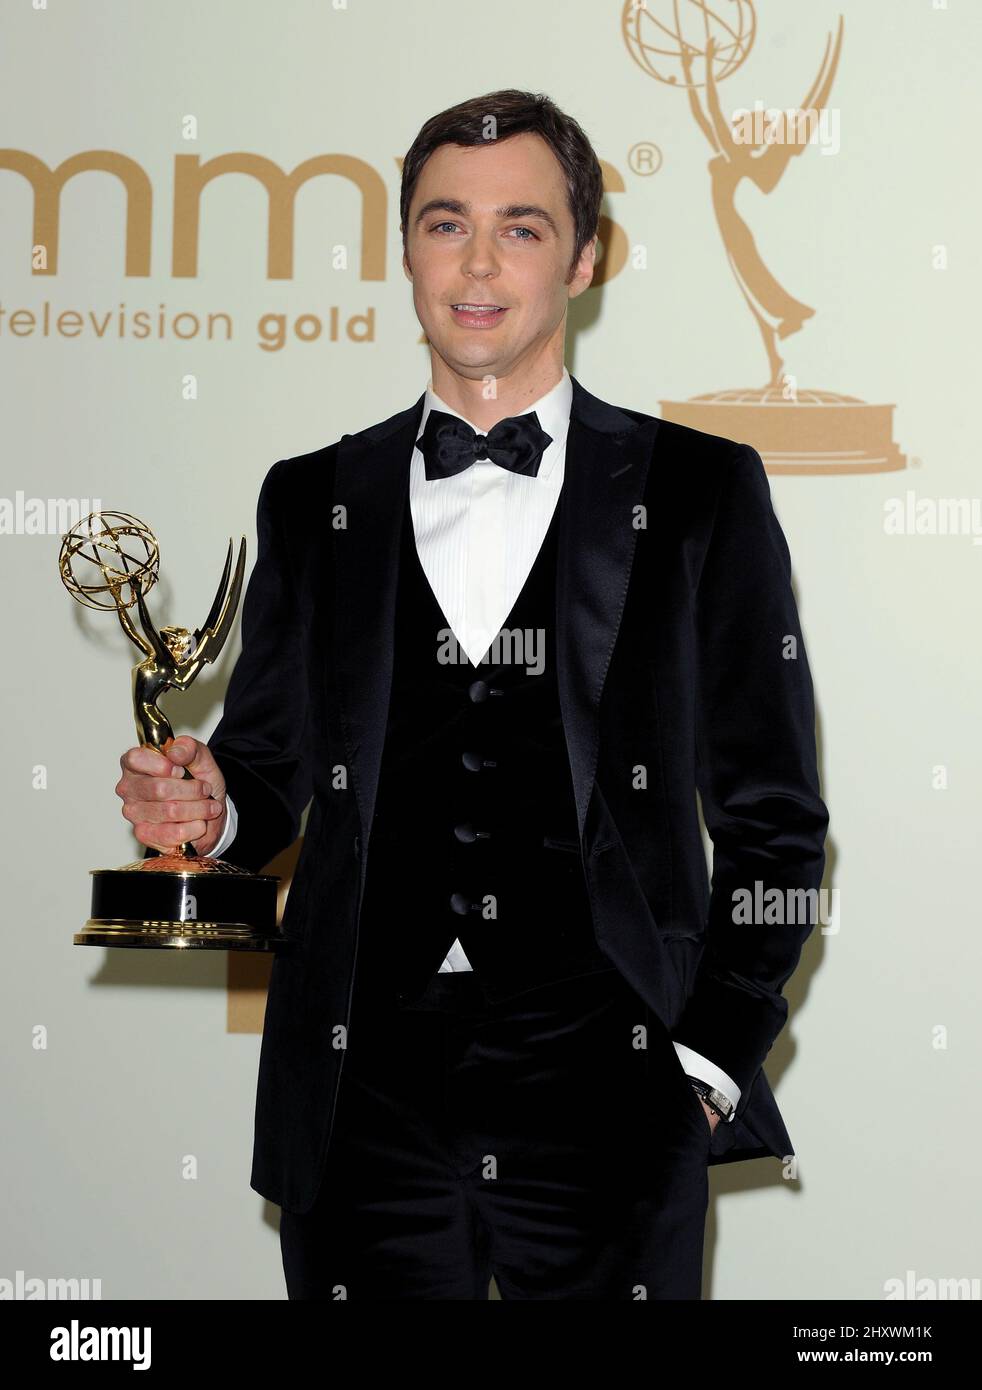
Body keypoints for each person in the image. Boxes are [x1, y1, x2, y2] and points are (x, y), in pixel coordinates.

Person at [114, 89, 829, 1300]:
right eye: (446, 224)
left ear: (586, 257)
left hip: (610, 1079)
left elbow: (777, 819)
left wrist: (703, 1062)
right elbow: (276, 774)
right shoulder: (309, 496)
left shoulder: (702, 491)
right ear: (403, 251)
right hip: (363, 1086)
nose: (480, 263)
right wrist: (210, 808)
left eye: (524, 227)